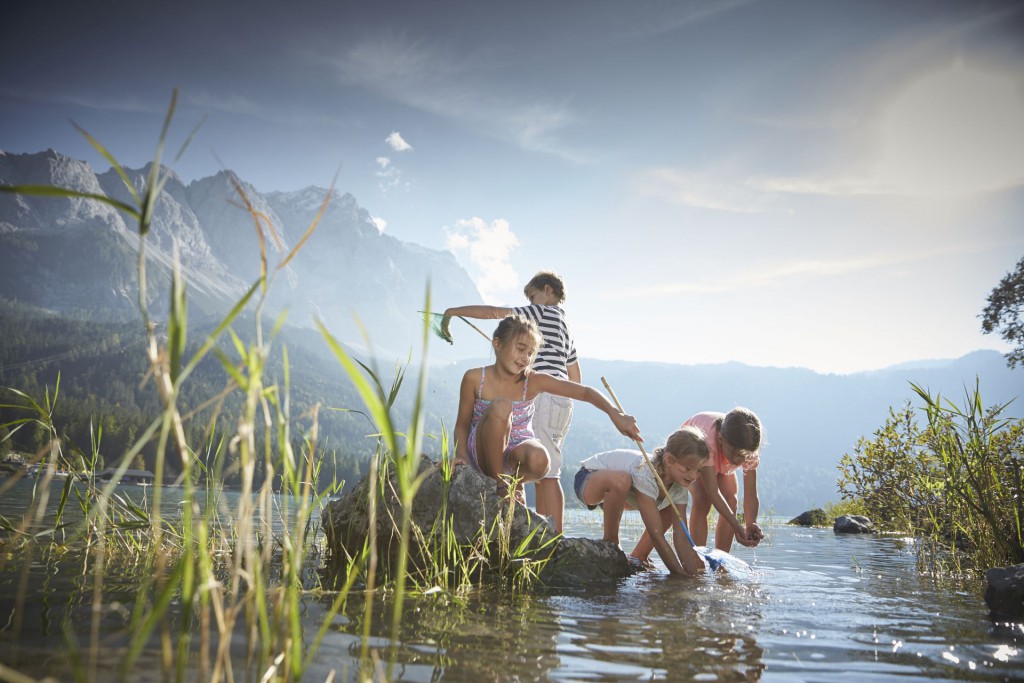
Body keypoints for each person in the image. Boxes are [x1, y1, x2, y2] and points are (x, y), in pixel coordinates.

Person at [452, 314, 639, 504]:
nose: (526, 358)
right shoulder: (475, 378)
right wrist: (461, 456)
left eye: (531, 353)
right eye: (521, 349)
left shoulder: (532, 380)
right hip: (483, 451)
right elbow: (462, 425)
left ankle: (514, 482)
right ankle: (500, 485)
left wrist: (615, 414)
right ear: (498, 344)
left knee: (541, 458)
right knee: (502, 405)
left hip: (516, 454)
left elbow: (585, 393)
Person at [443, 271, 579, 531]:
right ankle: (544, 528)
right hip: (562, 400)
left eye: (531, 296)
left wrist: (454, 311)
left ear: (547, 291)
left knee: (543, 471)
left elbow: (494, 312)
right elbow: (575, 375)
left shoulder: (538, 313)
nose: (530, 302)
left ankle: (549, 535)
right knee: (548, 467)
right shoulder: (567, 328)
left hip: (540, 393)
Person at [630, 407, 764, 563]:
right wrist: (736, 526)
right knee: (702, 499)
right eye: (738, 455)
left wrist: (750, 523)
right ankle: (697, 560)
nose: (742, 461)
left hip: (721, 458)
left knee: (731, 501)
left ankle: (721, 563)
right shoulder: (710, 442)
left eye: (746, 456)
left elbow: (750, 495)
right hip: (695, 452)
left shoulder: (746, 450)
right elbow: (713, 492)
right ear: (721, 439)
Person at [574, 427, 710, 577]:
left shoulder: (679, 487)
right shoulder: (646, 472)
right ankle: (611, 543)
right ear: (669, 460)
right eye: (688, 468)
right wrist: (678, 574)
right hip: (589, 480)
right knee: (622, 480)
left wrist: (691, 575)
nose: (693, 476)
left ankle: (639, 556)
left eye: (698, 470)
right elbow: (655, 533)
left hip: (623, 498)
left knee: (670, 509)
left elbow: (681, 536)